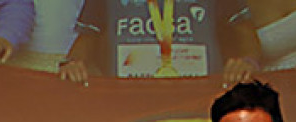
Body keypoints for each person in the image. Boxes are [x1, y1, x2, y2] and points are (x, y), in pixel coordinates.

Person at [59, 1, 247, 84]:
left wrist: (247, 62)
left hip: (199, 104)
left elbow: (245, 34)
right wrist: (73, 64)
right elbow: (87, 39)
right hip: (128, 102)